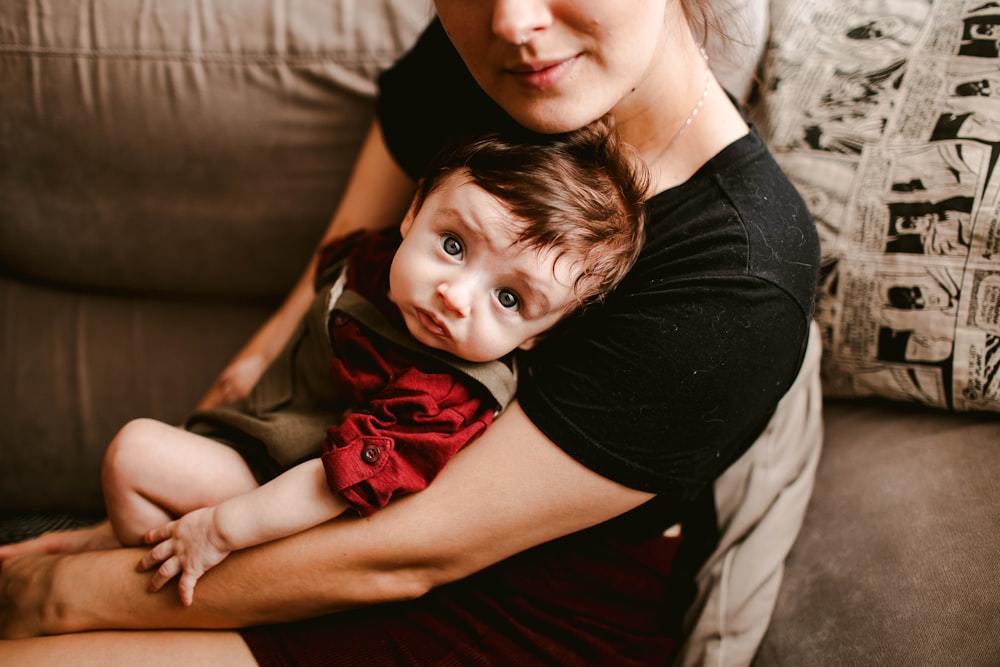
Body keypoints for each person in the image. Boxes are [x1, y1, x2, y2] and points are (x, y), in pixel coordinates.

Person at [0, 1, 821, 665]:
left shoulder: (742, 270)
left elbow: (404, 556)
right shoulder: (489, 56)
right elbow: (339, 272)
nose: (511, 20)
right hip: (305, 496)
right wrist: (191, 461)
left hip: (496, 612)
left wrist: (66, 593)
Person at [96, 120, 647, 608]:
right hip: (258, 433)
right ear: (413, 212)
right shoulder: (374, 258)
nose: (456, 296)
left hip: (289, 498)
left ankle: (152, 582)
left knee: (134, 454)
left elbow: (333, 484)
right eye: (454, 245)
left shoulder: (446, 396)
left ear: (540, 335)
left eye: (509, 299)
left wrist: (218, 530)